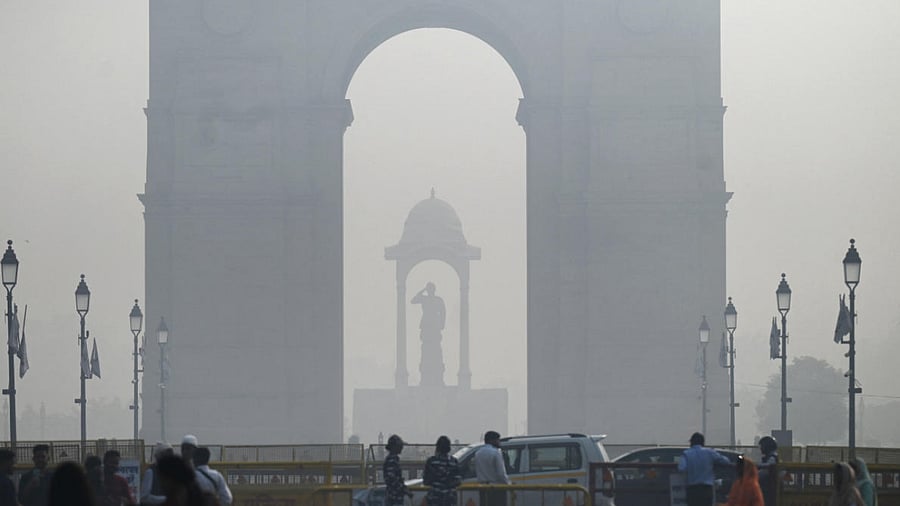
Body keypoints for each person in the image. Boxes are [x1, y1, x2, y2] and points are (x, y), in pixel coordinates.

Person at [677, 432, 732, 506]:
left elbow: (681, 468)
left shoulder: (686, 454)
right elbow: (726, 461)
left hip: (692, 489)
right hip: (706, 489)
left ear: (691, 443)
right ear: (703, 442)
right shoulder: (709, 452)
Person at [474, 431, 510, 506]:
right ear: (492, 440)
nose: (499, 442)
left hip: (482, 488)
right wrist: (508, 484)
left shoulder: (478, 453)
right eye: (498, 440)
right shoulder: (496, 453)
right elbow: (501, 474)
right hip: (496, 488)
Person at [423, 436, 462, 506]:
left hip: (435, 497)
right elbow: (458, 481)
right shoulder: (454, 462)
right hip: (450, 498)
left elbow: (426, 481)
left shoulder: (431, 462)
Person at [383, 434, 413, 506]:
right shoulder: (392, 460)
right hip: (394, 497)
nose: (401, 447)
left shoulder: (392, 459)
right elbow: (393, 480)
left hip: (394, 496)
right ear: (394, 447)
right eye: (400, 446)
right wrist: (404, 490)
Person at [757, 436, 779, 506]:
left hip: (769, 488)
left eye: (762, 446)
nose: (761, 449)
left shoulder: (772, 457)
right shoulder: (769, 456)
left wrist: (756, 468)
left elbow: (769, 467)